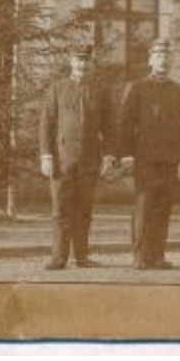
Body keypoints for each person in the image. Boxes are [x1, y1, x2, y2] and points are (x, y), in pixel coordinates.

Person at [38, 43, 117, 269]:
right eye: (78, 60)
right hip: (62, 159)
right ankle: (59, 257)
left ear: (91, 64)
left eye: (86, 61)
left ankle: (81, 257)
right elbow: (46, 124)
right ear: (71, 62)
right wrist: (46, 155)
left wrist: (109, 155)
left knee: (84, 209)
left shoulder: (100, 91)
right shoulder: (57, 88)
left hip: (89, 159)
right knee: (60, 209)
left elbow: (110, 126)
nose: (82, 64)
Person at [117, 38, 180, 270]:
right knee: (143, 206)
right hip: (145, 158)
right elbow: (125, 123)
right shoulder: (137, 87)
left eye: (167, 56)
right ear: (151, 59)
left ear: (172, 60)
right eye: (158, 56)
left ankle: (157, 255)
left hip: (169, 158)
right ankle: (139, 256)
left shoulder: (178, 91)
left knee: (163, 207)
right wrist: (127, 153)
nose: (163, 60)